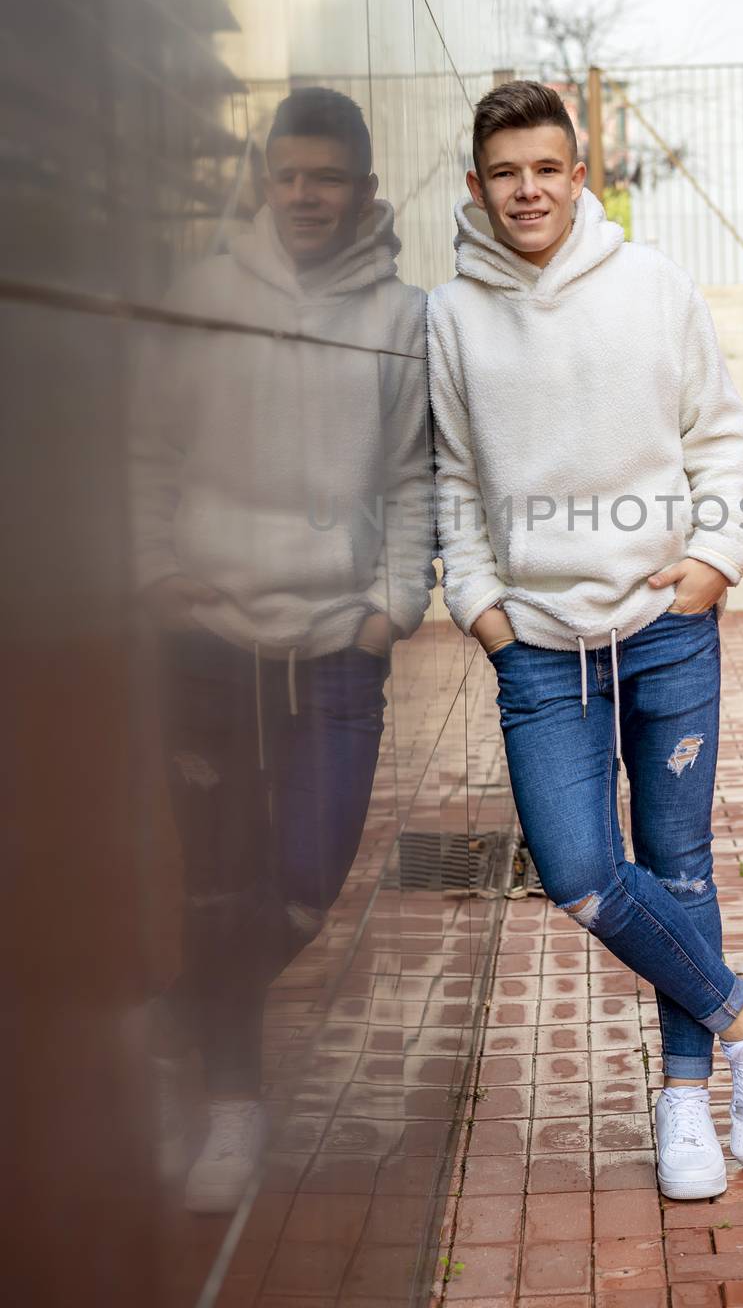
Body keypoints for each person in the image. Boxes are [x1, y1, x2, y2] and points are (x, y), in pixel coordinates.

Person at [427, 80, 743, 1200]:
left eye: (547, 168)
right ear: (476, 185)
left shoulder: (652, 287)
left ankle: (685, 1098)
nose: (528, 190)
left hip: (664, 628)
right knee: (583, 872)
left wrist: (714, 563)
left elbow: (723, 439)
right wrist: (484, 610)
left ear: (578, 173)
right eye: (506, 173)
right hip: (539, 646)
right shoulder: (450, 316)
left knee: (681, 869)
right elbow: (452, 478)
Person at [130, 87, 433, 1212]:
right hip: (209, 638)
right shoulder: (203, 297)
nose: (306, 195)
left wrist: (391, 602)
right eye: (288, 174)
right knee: (217, 888)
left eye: (329, 177)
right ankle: (230, 1108)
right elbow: (146, 448)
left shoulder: (403, 314)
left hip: (336, 645)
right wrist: (155, 570)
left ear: (362, 186)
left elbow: (413, 476)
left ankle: (164, 1026)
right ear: (266, 179)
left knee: (301, 885)